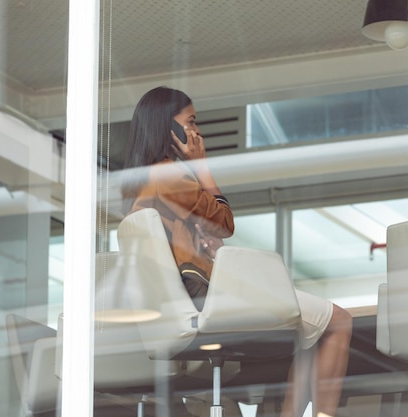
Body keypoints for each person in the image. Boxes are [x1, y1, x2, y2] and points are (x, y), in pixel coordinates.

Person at [122, 86, 352, 417]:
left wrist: (206, 247)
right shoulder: (169, 175)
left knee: (307, 330)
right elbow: (224, 222)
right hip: (205, 298)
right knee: (339, 321)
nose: (197, 132)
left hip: (185, 303)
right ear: (167, 128)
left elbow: (201, 236)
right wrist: (203, 170)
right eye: (191, 122)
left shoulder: (140, 184)